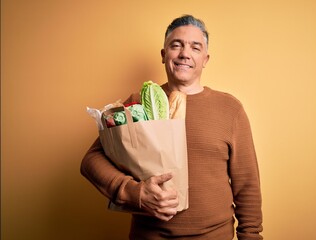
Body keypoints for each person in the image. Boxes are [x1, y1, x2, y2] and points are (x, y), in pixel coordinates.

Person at [81, 14, 263, 240]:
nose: (185, 53)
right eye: (176, 45)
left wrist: (250, 236)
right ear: (164, 54)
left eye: (195, 48)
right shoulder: (136, 105)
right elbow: (90, 161)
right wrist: (134, 192)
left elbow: (247, 185)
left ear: (205, 58)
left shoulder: (230, 109)